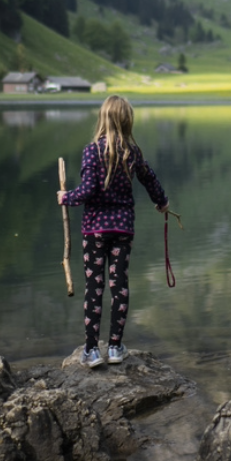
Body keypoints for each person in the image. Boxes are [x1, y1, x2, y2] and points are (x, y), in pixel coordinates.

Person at [56, 95, 169, 369]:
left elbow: (88, 190)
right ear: (128, 120)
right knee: (119, 286)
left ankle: (92, 351)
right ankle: (116, 347)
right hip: (122, 229)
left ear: (103, 118)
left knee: (94, 287)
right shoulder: (133, 152)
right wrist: (162, 202)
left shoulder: (92, 151)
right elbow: (149, 178)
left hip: (95, 230)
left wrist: (66, 197)